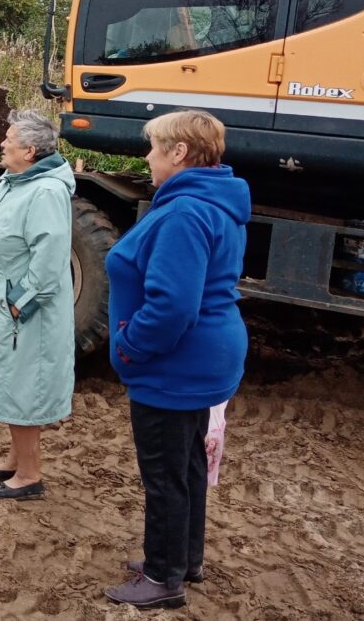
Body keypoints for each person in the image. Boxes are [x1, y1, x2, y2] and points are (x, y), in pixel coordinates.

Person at [103, 109, 250, 609]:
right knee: (187, 464)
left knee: (165, 473)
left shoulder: (186, 213)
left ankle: (164, 579)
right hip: (206, 357)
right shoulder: (213, 204)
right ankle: (184, 558)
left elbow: (171, 306)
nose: (147, 156)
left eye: (154, 146)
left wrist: (128, 346)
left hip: (175, 364)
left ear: (179, 152)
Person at [0, 109, 76, 500]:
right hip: (5, 307)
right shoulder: (14, 181)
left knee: (24, 389)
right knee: (12, 384)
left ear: (29, 150)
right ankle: (15, 459)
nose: (2, 143)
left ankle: (29, 476)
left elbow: (48, 262)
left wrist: (18, 303)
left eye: (8, 139)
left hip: (25, 314)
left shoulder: (45, 192)